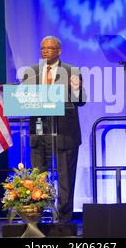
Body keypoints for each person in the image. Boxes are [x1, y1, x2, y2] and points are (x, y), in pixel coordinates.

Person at [22, 35, 86, 223]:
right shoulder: (31, 72)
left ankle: (63, 221)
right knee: (38, 179)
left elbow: (80, 101)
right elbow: (24, 100)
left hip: (64, 133)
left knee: (66, 180)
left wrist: (76, 89)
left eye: (49, 48)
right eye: (42, 48)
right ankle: (36, 218)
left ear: (59, 51)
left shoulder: (71, 71)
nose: (44, 51)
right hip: (39, 132)